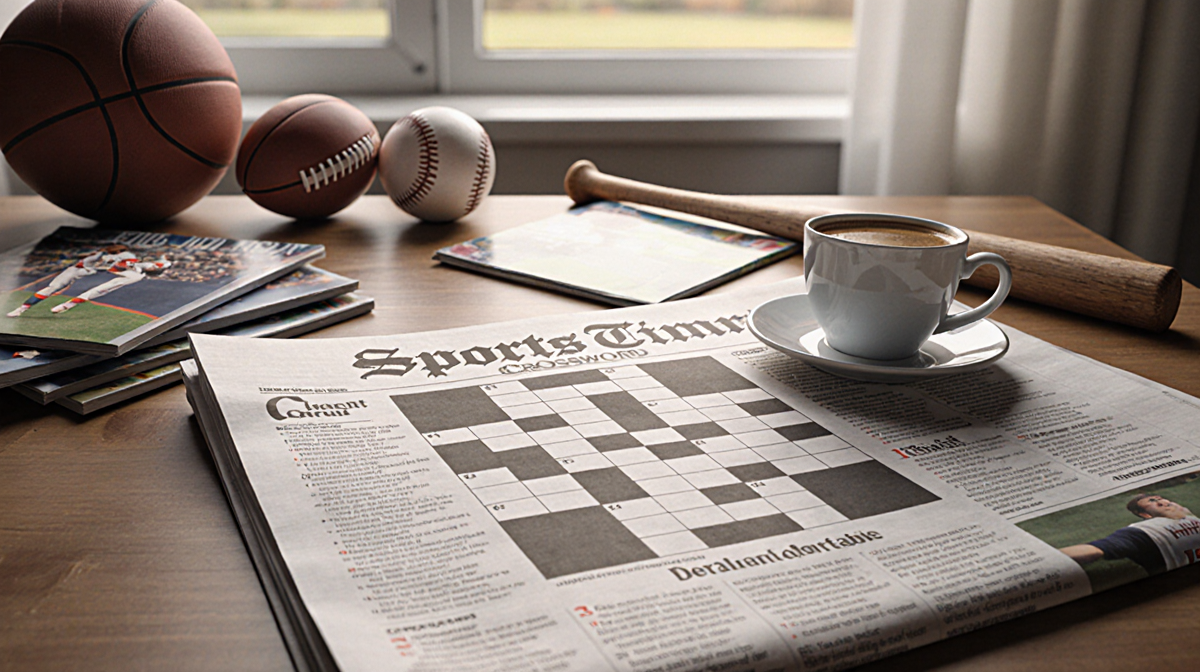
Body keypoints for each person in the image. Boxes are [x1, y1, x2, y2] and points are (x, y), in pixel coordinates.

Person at [1060, 493, 1200, 575]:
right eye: (1152, 501)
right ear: (1145, 514)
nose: (1162, 502)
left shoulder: (1191, 517)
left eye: (1160, 498)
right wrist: (1049, 559)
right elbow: (1098, 549)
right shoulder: (1147, 530)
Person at [7, 244, 134, 317]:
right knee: (51, 289)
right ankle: (22, 309)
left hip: (84, 274)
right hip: (76, 270)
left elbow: (114, 262)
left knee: (93, 290)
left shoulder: (117, 258)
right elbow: (93, 258)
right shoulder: (101, 255)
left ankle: (65, 305)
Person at [48, 252, 171, 314]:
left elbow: (154, 265)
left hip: (126, 275)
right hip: (111, 271)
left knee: (97, 290)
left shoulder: (138, 271)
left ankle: (68, 305)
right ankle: (67, 304)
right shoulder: (135, 263)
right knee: (94, 288)